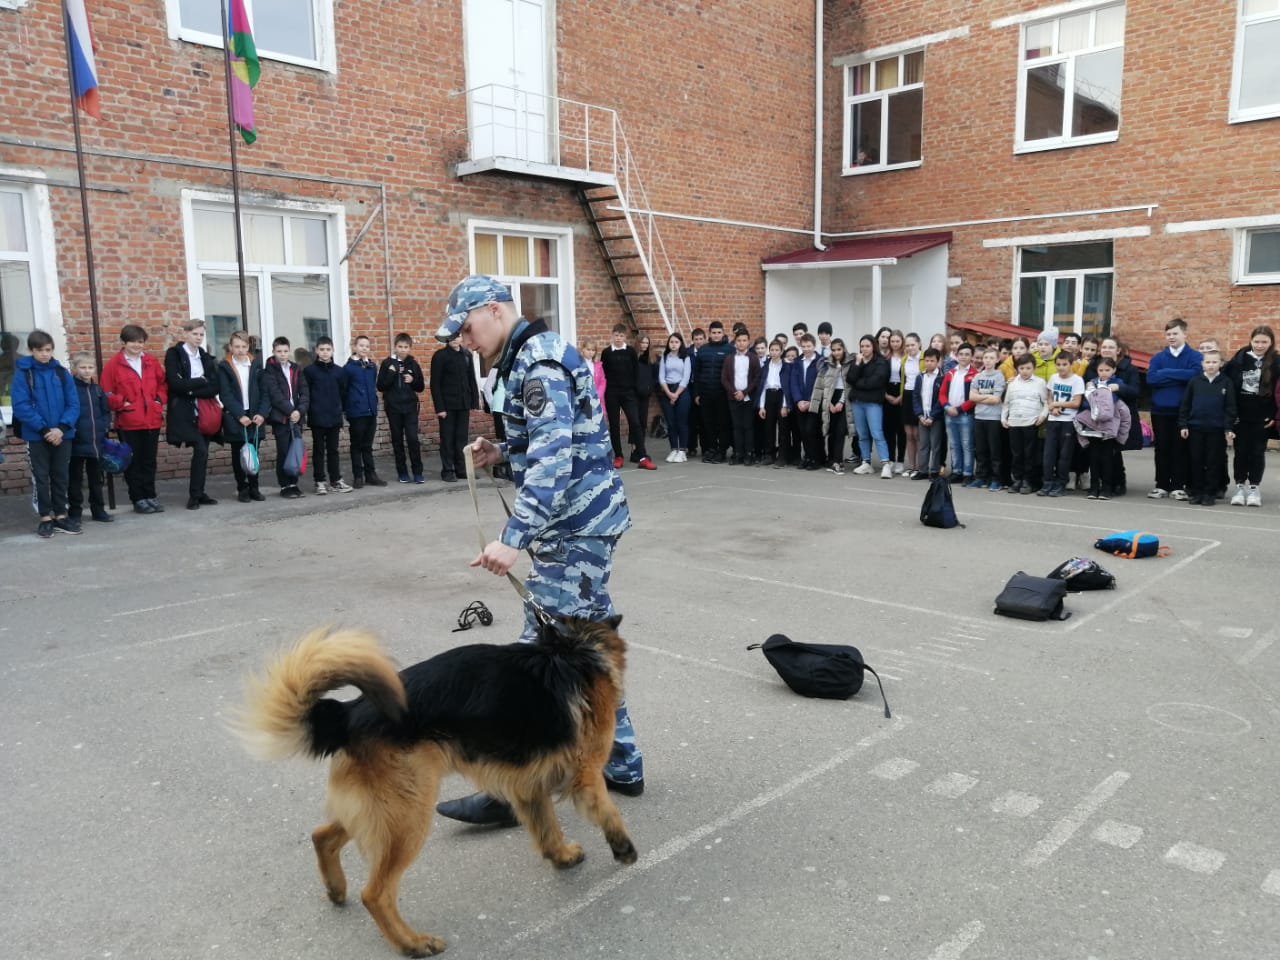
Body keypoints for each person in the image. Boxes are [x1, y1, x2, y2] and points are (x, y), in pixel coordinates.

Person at [432, 274, 643, 826]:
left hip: (574, 529)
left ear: (496, 311)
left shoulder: (540, 365)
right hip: (580, 525)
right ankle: (621, 762)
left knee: (536, 665)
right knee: (588, 653)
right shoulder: (531, 355)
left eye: (467, 326)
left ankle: (514, 791)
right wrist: (499, 450)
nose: (464, 339)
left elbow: (554, 460)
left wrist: (511, 539)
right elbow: (546, 443)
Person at [11, 330, 80, 538]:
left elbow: (73, 403)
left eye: (48, 350)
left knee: (60, 476)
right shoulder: (24, 373)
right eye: (39, 350)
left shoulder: (61, 372)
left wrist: (62, 428)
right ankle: (45, 518)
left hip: (63, 434)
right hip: (36, 435)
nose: (44, 354)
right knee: (41, 477)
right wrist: (44, 430)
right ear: (31, 350)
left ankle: (61, 514)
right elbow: (21, 405)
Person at [100, 323, 167, 514]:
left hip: (151, 420)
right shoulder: (114, 365)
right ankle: (138, 498)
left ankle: (150, 494)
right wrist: (122, 403)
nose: (137, 346)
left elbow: (163, 385)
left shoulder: (151, 362)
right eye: (133, 342)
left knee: (149, 460)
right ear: (124, 342)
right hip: (129, 422)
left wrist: (158, 400)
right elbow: (106, 393)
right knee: (133, 461)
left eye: (140, 342)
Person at [164, 319, 223, 510]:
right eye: (194, 334)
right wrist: (201, 381)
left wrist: (191, 388)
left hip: (205, 412)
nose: (198, 338)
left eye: (201, 335)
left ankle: (199, 493)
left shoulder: (205, 357)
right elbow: (174, 383)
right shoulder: (174, 354)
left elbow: (214, 386)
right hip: (184, 412)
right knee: (200, 449)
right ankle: (194, 495)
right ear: (186, 334)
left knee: (203, 453)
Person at [1145, 317, 1201, 501]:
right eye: (1168, 334)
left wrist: (1165, 373)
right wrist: (1178, 377)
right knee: (1162, 448)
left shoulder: (1195, 357)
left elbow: (1194, 376)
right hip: (1160, 410)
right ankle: (1161, 485)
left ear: (1185, 334)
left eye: (1175, 333)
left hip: (1182, 412)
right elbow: (1151, 379)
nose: (1171, 337)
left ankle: (1178, 486)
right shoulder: (1158, 358)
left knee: (1180, 449)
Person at [1224, 325, 1278, 507]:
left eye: (1264, 342)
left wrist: (1274, 415)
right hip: (1240, 414)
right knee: (1240, 451)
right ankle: (1239, 487)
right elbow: (1228, 384)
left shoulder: (1276, 361)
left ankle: (1254, 487)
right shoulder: (1240, 358)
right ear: (1251, 340)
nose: (1260, 345)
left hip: (1262, 416)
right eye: (1257, 341)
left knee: (1257, 452)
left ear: (1271, 343)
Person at [216, 330, 270, 503]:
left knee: (253, 451)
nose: (240, 350)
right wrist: (239, 415)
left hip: (255, 415)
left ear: (249, 347)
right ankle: (242, 488)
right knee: (238, 453)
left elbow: (265, 392)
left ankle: (254, 487)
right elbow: (225, 394)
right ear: (230, 347)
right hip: (236, 415)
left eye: (244, 346)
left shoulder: (256, 365)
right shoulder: (224, 367)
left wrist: (262, 413)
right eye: (236, 346)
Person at [1179, 349, 1236, 507]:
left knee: (1213, 462)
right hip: (1196, 428)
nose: (1211, 365)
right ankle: (1197, 492)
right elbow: (1186, 404)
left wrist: (1228, 428)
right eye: (1208, 362)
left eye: (1214, 362)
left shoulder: (1226, 383)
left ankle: (1210, 493)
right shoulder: (1195, 382)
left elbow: (1230, 408)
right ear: (1202, 364)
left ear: (1221, 364)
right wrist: (1183, 424)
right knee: (1196, 461)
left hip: (1216, 431)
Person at [1084, 337, 1141, 496]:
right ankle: (1097, 483)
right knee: (1096, 453)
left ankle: (1118, 482)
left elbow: (1136, 392)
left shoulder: (1129, 369)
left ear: (1118, 350)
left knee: (1114, 451)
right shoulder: (1093, 366)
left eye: (1111, 347)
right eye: (1104, 347)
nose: (1106, 349)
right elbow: (1086, 386)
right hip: (1096, 416)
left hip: (1119, 415)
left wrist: (1120, 388)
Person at [601, 324, 656, 470]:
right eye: (616, 335)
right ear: (612, 335)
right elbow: (604, 373)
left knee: (636, 423)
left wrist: (634, 390)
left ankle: (642, 456)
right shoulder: (606, 353)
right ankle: (618, 456)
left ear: (625, 337)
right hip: (612, 394)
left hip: (628, 393)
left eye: (621, 335)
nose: (618, 338)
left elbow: (636, 371)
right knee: (614, 425)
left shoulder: (631, 351)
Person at [263, 335, 311, 498]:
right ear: (273, 351)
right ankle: (284, 485)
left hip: (297, 417)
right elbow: (274, 394)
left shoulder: (296, 368)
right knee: (283, 451)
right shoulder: (269, 369)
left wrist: (300, 410)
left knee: (295, 449)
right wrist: (290, 411)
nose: (282, 354)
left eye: (285, 351)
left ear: (289, 351)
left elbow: (304, 391)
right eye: (279, 351)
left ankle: (294, 483)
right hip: (281, 417)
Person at [1077, 356, 1131, 500]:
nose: (1104, 373)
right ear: (1097, 371)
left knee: (1107, 460)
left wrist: (1113, 390)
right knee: (1094, 459)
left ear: (1113, 370)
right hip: (1094, 429)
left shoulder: (1117, 384)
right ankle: (1094, 488)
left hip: (1109, 430)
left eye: (1107, 370)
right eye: (1101, 370)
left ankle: (1107, 488)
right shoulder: (1092, 384)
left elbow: (1120, 403)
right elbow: (1085, 404)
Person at [303, 336, 352, 494]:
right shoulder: (309, 371)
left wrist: (341, 411)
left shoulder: (339, 371)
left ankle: (335, 480)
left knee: (333, 450)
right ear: (316, 351)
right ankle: (319, 481)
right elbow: (306, 394)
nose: (325, 353)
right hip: (317, 416)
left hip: (334, 416)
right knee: (318, 450)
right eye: (322, 349)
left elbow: (343, 393)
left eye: (328, 350)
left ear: (333, 351)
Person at [68, 352, 112, 523]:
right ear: (74, 369)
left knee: (96, 479)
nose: (87, 371)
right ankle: (75, 512)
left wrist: (104, 426)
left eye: (90, 367)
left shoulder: (97, 389)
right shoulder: (70, 388)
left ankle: (98, 510)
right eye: (83, 367)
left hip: (96, 441)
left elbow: (105, 411)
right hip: (77, 441)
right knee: (75, 480)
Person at [430, 333, 480, 483]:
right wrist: (440, 408)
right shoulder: (440, 356)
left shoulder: (466, 355)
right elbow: (435, 384)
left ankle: (461, 469)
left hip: (463, 404)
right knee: (447, 439)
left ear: (461, 338)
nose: (454, 340)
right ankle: (447, 470)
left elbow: (472, 378)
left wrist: (474, 401)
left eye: (457, 336)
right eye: (451, 337)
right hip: (447, 406)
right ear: (447, 339)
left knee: (461, 439)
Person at [377, 332, 426, 483]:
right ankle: (402, 472)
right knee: (397, 440)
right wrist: (391, 373)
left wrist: (413, 380)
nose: (403, 350)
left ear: (409, 348)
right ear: (395, 347)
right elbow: (380, 386)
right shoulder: (387, 364)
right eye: (400, 346)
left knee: (412, 439)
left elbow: (420, 387)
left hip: (410, 407)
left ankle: (417, 472)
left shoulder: (413, 364)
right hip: (393, 408)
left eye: (405, 347)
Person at [342, 334, 386, 487]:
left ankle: (371, 474)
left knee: (367, 445)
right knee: (357, 445)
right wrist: (347, 409)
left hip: (370, 411)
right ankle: (358, 476)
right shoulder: (348, 368)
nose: (364, 349)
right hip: (356, 411)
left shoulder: (371, 366)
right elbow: (344, 391)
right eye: (361, 346)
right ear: (354, 347)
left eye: (367, 346)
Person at [1002, 353, 1049, 494]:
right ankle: (1017, 479)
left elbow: (1046, 402)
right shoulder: (1013, 383)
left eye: (1028, 368)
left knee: (1030, 454)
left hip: (1030, 422)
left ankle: (1028, 481)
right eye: (1021, 368)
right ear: (1017, 369)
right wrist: (1003, 418)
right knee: (1017, 453)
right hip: (1014, 422)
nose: (1025, 371)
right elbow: (1007, 403)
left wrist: (1042, 416)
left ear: (1033, 368)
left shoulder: (1040, 383)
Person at [1040, 351, 1084, 497]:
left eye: (1064, 364)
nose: (1061, 368)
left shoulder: (1077, 380)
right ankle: (1047, 482)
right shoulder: (1053, 378)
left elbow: (1076, 402)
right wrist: (1053, 406)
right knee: (1049, 454)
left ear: (1071, 365)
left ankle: (1061, 483)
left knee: (1064, 455)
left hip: (1068, 422)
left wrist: (1057, 404)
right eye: (1058, 364)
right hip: (1053, 420)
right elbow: (1049, 397)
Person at [847, 334, 892, 477]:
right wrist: (857, 365)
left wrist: (858, 383)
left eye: (867, 346)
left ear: (874, 346)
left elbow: (876, 381)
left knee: (877, 433)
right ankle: (866, 462)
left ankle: (886, 464)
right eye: (862, 346)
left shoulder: (881, 362)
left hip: (873, 403)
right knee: (862, 434)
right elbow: (850, 379)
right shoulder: (857, 360)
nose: (864, 349)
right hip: (857, 402)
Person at [693, 321, 734, 463]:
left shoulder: (730, 349)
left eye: (719, 332)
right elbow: (697, 373)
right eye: (713, 332)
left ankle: (722, 451)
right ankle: (711, 449)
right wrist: (697, 393)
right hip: (705, 393)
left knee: (722, 423)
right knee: (707, 424)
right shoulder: (703, 350)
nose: (716, 335)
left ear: (723, 333)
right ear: (709, 334)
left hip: (722, 394)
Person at [939, 342, 978, 485]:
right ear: (956, 355)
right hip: (949, 413)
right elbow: (942, 393)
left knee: (967, 444)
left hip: (965, 415)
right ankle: (957, 471)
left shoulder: (975, 374)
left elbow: (973, 398)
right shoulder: (950, 373)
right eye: (961, 354)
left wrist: (960, 409)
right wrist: (947, 406)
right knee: (954, 444)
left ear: (971, 357)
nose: (964, 357)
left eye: (967, 354)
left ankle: (967, 473)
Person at [721, 329, 761, 465]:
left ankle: (749, 453)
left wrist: (744, 392)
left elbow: (756, 378)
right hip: (733, 397)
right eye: (739, 340)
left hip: (748, 397)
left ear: (748, 342)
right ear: (735, 342)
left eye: (744, 340)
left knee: (748, 426)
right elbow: (724, 378)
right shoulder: (729, 358)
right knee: (736, 426)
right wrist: (735, 392)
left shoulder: (753, 358)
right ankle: (738, 453)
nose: (741, 343)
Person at [785, 332, 824, 469]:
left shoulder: (820, 361)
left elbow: (820, 383)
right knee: (802, 431)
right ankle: (807, 457)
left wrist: (809, 401)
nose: (806, 349)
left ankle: (816, 459)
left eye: (809, 346)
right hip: (800, 404)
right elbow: (793, 383)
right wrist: (799, 400)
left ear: (814, 346)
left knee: (811, 430)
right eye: (804, 346)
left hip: (814, 403)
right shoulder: (797, 362)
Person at [970, 346, 1006, 490]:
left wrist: (980, 397)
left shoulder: (999, 376)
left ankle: (995, 479)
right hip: (979, 416)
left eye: (991, 358)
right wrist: (986, 397)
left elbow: (996, 399)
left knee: (994, 450)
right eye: (986, 358)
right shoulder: (978, 376)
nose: (988, 361)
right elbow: (971, 397)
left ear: (997, 359)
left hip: (994, 418)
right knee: (980, 450)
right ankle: (980, 477)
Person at [816, 338, 850, 474]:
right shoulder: (826, 364)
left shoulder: (848, 364)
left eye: (839, 349)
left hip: (843, 399)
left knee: (840, 431)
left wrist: (841, 402)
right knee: (831, 430)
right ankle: (832, 460)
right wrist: (829, 402)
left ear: (843, 349)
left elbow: (849, 386)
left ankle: (838, 461)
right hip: (830, 398)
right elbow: (823, 385)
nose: (836, 353)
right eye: (834, 350)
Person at [656, 331, 692, 462]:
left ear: (680, 343)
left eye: (676, 342)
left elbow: (686, 378)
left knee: (681, 421)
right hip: (667, 391)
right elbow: (661, 377)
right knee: (671, 423)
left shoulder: (685, 357)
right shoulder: (665, 357)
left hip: (681, 391)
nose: (674, 344)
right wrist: (669, 393)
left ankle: (682, 450)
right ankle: (673, 449)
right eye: (671, 342)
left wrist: (676, 394)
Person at [912, 347, 946, 479]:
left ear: (938, 361)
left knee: (936, 445)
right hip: (923, 416)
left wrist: (933, 416)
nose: (929, 363)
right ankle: (923, 470)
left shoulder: (942, 377)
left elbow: (941, 398)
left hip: (935, 417)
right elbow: (916, 396)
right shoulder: (920, 377)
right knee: (923, 444)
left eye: (932, 361)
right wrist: (920, 415)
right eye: (927, 360)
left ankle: (934, 470)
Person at [757, 339, 787, 466]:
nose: (774, 352)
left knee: (783, 428)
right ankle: (769, 454)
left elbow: (786, 388)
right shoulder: (765, 366)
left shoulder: (785, 366)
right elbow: (763, 387)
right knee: (768, 427)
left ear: (781, 351)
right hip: (769, 395)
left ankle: (782, 456)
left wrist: (785, 405)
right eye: (772, 350)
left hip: (781, 395)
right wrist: (762, 406)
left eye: (777, 350)